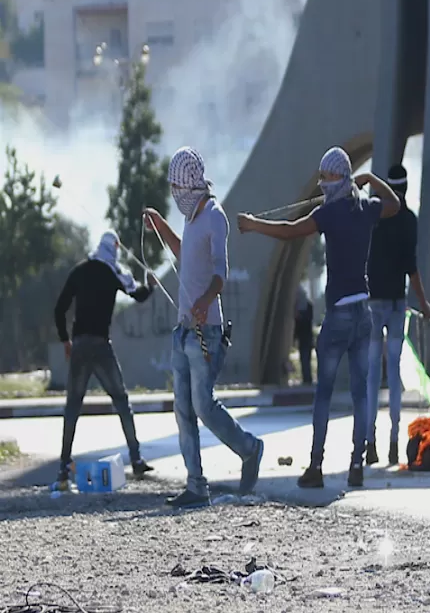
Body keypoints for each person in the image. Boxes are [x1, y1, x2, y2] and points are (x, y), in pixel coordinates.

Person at [237, 147, 400, 488]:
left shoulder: (331, 213)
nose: (322, 182)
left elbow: (289, 230)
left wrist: (253, 225)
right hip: (364, 313)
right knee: (359, 394)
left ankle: (316, 466)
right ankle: (357, 465)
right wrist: (373, 180)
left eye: (326, 176)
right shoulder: (365, 208)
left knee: (324, 393)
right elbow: (394, 205)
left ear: (338, 178)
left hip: (339, 312)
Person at [143, 146, 264, 508]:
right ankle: (196, 486)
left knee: (203, 406)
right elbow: (184, 252)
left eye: (177, 186)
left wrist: (203, 303)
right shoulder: (191, 217)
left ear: (190, 184)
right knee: (183, 409)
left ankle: (249, 448)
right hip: (182, 331)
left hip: (206, 331)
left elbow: (220, 274)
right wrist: (160, 226)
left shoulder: (214, 216)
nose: (174, 194)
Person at [53, 230, 156, 488]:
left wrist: (65, 340)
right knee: (121, 401)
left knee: (72, 407)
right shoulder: (114, 272)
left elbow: (59, 308)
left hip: (79, 347)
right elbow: (138, 295)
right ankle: (136, 459)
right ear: (115, 248)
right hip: (101, 346)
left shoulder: (79, 270)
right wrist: (151, 284)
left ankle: (64, 467)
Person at [364, 163, 430, 466]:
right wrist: (425, 304)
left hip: (370, 304)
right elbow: (412, 269)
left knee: (370, 375)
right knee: (393, 374)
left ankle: (370, 443)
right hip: (396, 304)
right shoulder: (409, 220)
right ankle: (393, 443)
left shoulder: (372, 217)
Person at [294, 283, 315, 385]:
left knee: (305, 359)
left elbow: (305, 322)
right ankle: (307, 379)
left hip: (306, 338)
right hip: (305, 338)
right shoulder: (307, 306)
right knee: (304, 360)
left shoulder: (306, 307)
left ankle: (307, 380)